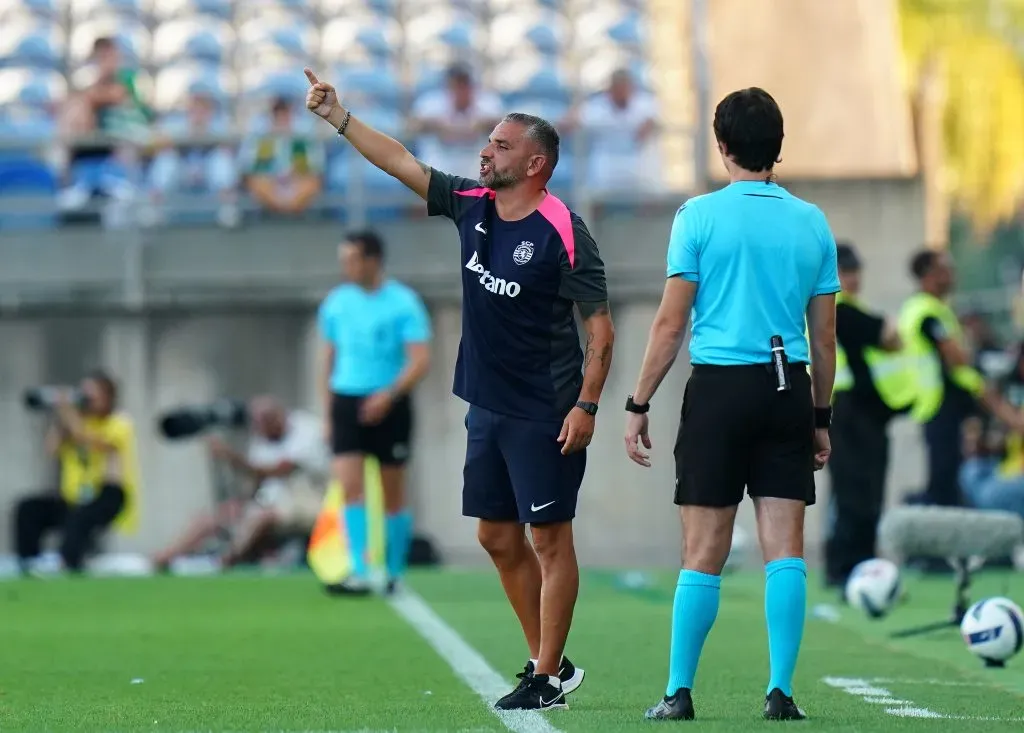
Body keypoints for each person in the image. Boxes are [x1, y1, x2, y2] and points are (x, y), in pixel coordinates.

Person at [304, 66, 615, 711]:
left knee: (549, 540)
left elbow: (601, 331)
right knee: (496, 538)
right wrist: (340, 117)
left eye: (500, 146)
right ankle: (549, 665)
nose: (485, 152)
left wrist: (587, 404)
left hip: (547, 409)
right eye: (488, 142)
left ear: (535, 163)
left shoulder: (564, 230)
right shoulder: (471, 205)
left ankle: (545, 673)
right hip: (487, 405)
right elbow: (401, 161)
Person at [623, 87, 838, 721]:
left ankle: (679, 691)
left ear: (721, 147)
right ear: (778, 145)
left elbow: (670, 325)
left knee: (704, 549)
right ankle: (780, 692)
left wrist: (638, 402)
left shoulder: (697, 216)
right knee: (785, 547)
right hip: (786, 384)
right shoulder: (811, 221)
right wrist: (820, 416)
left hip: (719, 387)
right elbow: (823, 337)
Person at [318, 230, 432, 595]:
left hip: (390, 403)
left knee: (392, 491)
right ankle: (360, 568)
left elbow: (419, 360)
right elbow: (330, 358)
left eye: (352, 259)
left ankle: (393, 570)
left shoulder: (404, 303)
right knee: (350, 486)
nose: (345, 267)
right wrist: (327, 411)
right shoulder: (336, 303)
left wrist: (389, 395)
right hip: (347, 400)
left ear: (372, 261)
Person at [898, 251, 1024, 508]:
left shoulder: (935, 308)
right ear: (929, 275)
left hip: (945, 404)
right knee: (944, 482)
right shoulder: (925, 311)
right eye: (945, 269)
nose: (952, 275)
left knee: (951, 478)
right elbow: (955, 356)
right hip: (939, 404)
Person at [152, 396, 328, 571]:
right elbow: (258, 482)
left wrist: (229, 456)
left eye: (263, 423)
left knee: (261, 517)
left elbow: (277, 470)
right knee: (213, 517)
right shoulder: (262, 437)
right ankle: (166, 556)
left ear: (277, 416)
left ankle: (225, 561)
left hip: (309, 502)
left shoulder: (306, 429)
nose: (259, 429)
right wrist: (241, 504)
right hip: (270, 503)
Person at [823, 242, 912, 589]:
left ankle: (859, 568)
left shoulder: (850, 309)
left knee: (865, 495)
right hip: (847, 413)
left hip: (866, 415)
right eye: (846, 272)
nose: (853, 278)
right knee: (853, 496)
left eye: (855, 271)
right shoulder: (838, 309)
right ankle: (847, 569)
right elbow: (888, 335)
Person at [13, 370, 139, 574]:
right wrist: (61, 420)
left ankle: (69, 563)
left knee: (80, 519)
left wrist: (68, 413)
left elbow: (94, 442)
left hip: (108, 494)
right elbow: (50, 451)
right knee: (28, 508)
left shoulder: (119, 421)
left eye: (92, 395)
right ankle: (29, 564)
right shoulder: (75, 421)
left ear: (107, 397)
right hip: (73, 496)